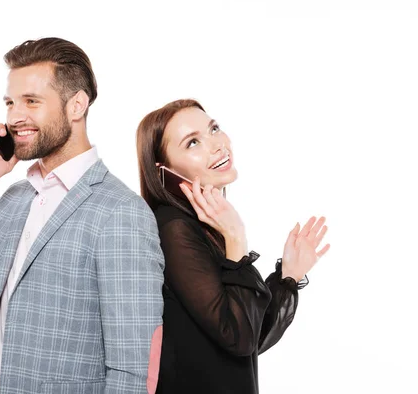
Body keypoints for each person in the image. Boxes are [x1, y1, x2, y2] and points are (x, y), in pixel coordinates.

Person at [0, 37, 165, 394]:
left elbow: (133, 367)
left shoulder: (120, 212)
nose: (15, 117)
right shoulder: (16, 199)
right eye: (11, 103)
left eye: (32, 101)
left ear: (77, 104)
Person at [136, 99, 331, 394]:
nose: (217, 145)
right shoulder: (174, 228)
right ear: (164, 170)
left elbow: (250, 337)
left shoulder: (203, 226)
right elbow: (238, 337)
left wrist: (288, 277)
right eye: (192, 143)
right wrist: (236, 237)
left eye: (214, 128)